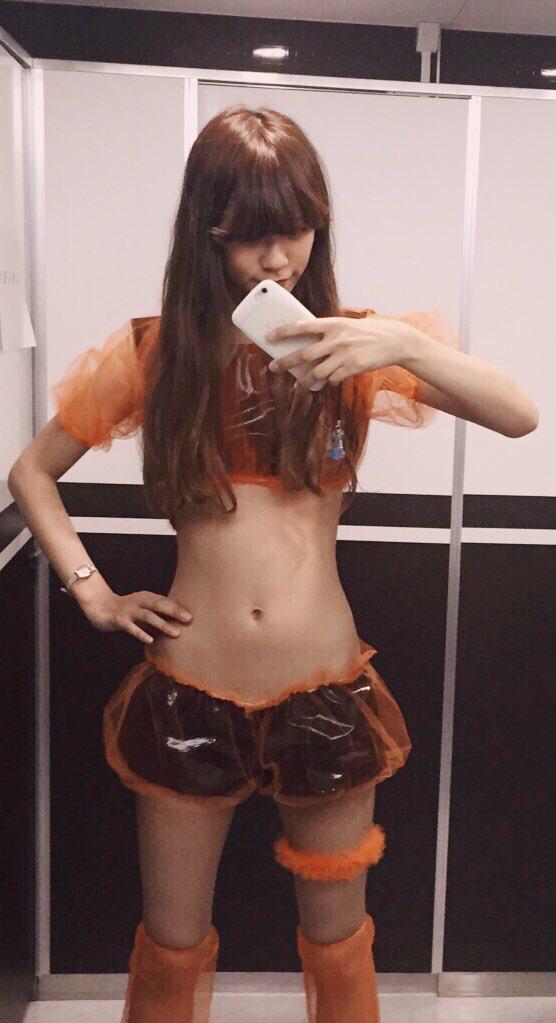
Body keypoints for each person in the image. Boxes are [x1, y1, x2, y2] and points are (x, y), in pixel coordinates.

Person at [8, 104, 538, 1023]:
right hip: (186, 692)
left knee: (340, 940)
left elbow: (520, 414)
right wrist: (92, 591)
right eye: (251, 234)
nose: (278, 257)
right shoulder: (157, 354)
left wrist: (403, 342)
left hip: (324, 694)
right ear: (208, 232)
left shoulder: (351, 347)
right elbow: (30, 472)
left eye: (295, 229)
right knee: (171, 941)